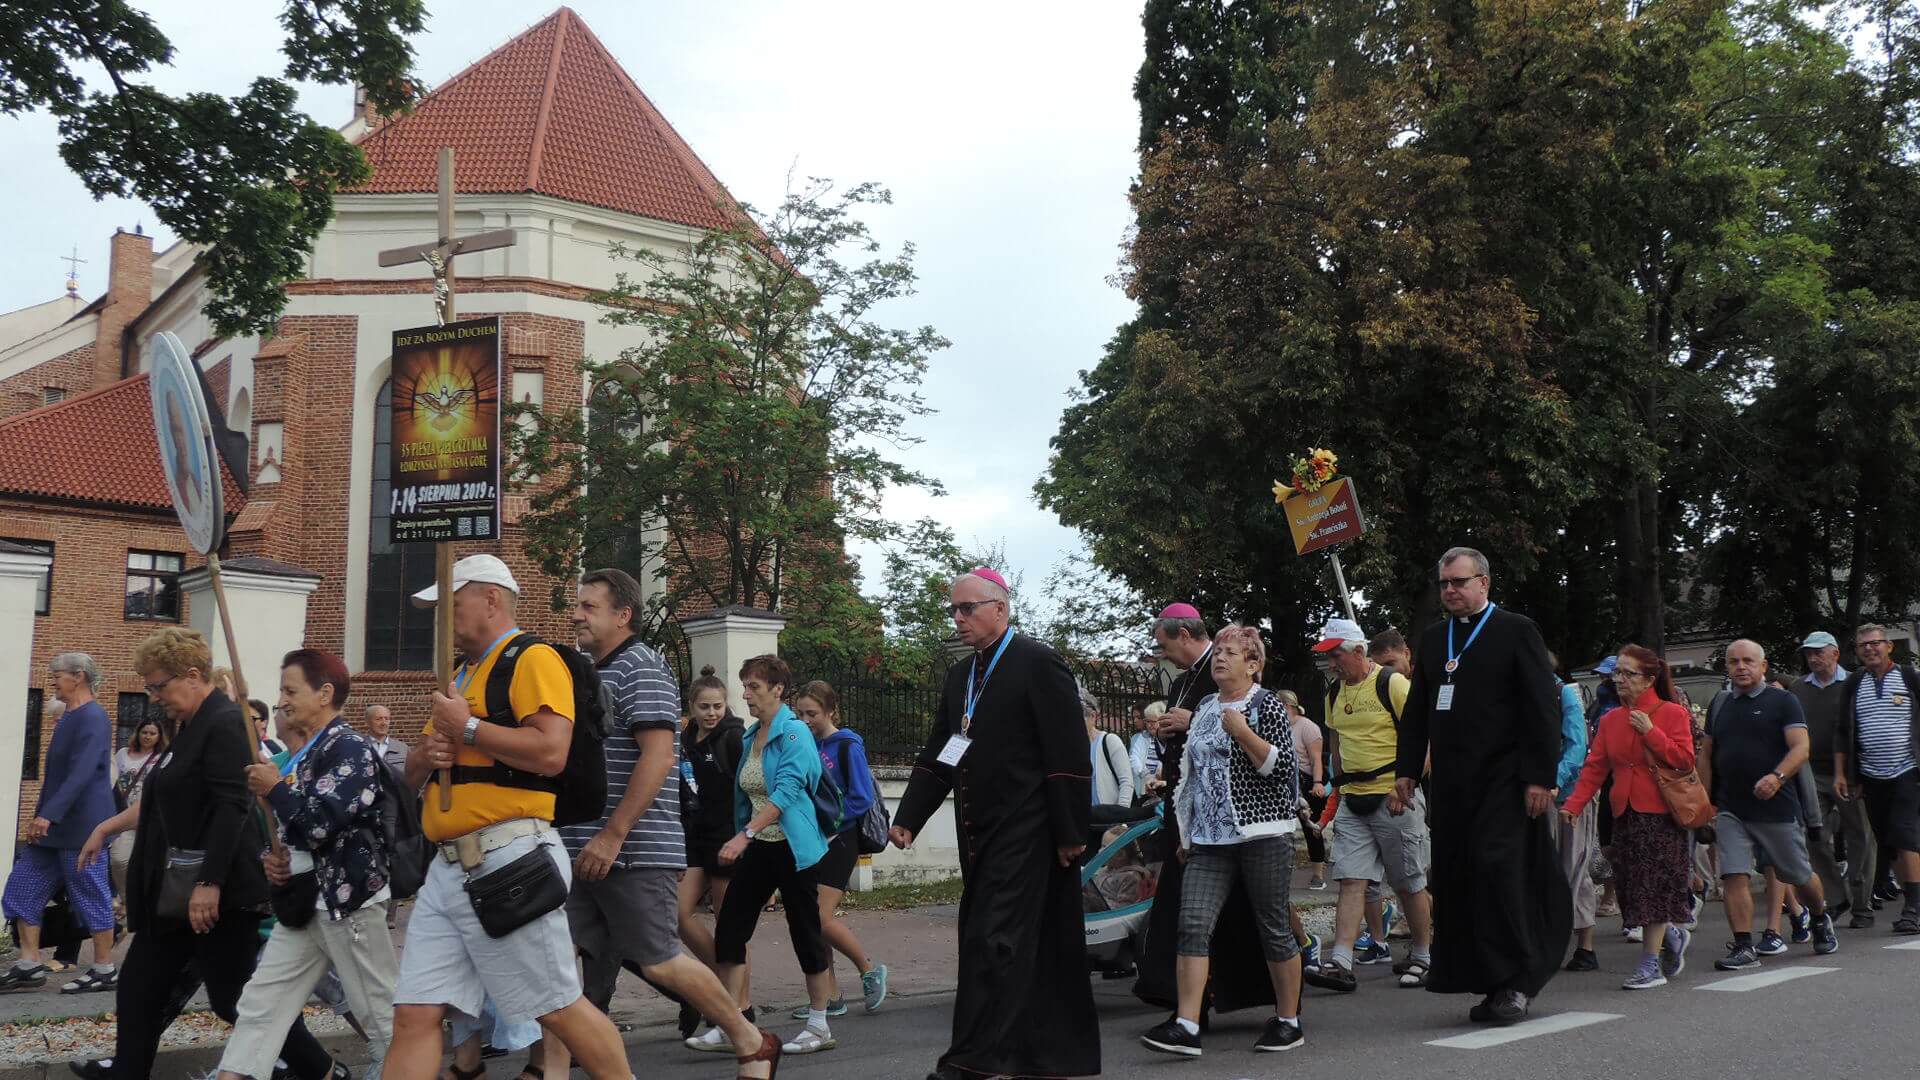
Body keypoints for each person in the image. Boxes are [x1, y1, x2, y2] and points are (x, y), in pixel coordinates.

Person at [385, 554, 636, 1080]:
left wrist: (468, 728)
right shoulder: (459, 675)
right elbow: (412, 774)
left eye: (451, 604)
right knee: (415, 1013)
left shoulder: (532, 659)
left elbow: (551, 752)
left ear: (491, 599)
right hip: (447, 868)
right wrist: (426, 754)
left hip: (508, 858)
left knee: (558, 1008)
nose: (443, 619)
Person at [74, 628, 336, 1080]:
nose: (155, 697)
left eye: (159, 685)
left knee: (234, 998)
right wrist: (106, 827)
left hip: (218, 893)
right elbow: (166, 796)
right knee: (139, 986)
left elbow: (232, 806)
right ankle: (126, 1072)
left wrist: (209, 883)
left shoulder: (224, 722)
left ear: (192, 676)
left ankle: (323, 1071)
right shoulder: (191, 726)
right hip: (175, 893)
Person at [546, 569, 773, 1080]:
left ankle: (750, 1040)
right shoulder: (588, 671)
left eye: (588, 606)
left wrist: (613, 835)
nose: (576, 615)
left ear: (622, 615)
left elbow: (658, 757)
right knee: (557, 969)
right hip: (577, 845)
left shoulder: (642, 667)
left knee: (659, 959)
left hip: (631, 848)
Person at [890, 568, 1099, 1080]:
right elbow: (943, 749)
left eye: (968, 608)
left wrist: (1071, 831)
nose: (958, 618)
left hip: (1030, 826)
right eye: (953, 610)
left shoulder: (1037, 661)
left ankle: (974, 1059)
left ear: (1000, 609)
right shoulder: (962, 675)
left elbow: (1067, 752)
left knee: (993, 938)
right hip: (980, 831)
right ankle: (1040, 1055)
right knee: (1012, 941)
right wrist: (909, 816)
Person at [1394, 547, 1571, 1024]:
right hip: (1453, 785)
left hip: (1505, 781)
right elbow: (1418, 709)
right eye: (1444, 583)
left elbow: (1541, 708)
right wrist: (1406, 769)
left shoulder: (1517, 630)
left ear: (1484, 583)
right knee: (1462, 879)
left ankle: (1519, 979)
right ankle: (1490, 980)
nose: (1450, 590)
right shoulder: (1435, 639)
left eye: (1459, 581)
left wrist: (1541, 776)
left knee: (1501, 875)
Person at [212, 648, 399, 1080]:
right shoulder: (304, 755)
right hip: (301, 906)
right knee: (261, 1003)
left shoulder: (350, 748)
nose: (281, 701)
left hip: (347, 902)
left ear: (324, 694)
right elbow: (294, 833)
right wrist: (273, 858)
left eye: (290, 691)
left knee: (380, 1014)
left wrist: (275, 787)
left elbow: (319, 823)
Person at [1139, 624, 1306, 1057]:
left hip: (1261, 834)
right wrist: (1186, 830)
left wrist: (1243, 732)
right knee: (1192, 923)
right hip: (1210, 840)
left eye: (1231, 653)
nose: (1220, 658)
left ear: (1253, 665)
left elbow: (1283, 770)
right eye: (1218, 652)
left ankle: (1288, 1020)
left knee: (1272, 927)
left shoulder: (1266, 704)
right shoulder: (1206, 706)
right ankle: (1187, 1025)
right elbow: (1191, 776)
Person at [696, 653, 835, 1058]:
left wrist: (744, 835)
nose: (746, 694)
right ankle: (734, 1023)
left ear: (777, 689)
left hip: (794, 848)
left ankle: (819, 1024)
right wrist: (748, 834)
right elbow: (746, 793)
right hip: (761, 845)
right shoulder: (751, 735)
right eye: (745, 686)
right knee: (730, 930)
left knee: (805, 932)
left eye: (753, 686)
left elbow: (787, 792)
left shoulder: (795, 733)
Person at [1302, 618, 1434, 993]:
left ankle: (1423, 955)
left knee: (1408, 882)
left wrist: (1405, 784)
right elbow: (1336, 743)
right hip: (1354, 800)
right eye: (1328, 657)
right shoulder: (1334, 693)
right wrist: (1339, 788)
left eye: (1336, 656)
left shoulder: (1392, 683)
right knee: (1350, 879)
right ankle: (1341, 962)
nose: (1332, 664)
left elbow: (1424, 738)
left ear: (1359, 651)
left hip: (1396, 799)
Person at [1560, 645, 1698, 988]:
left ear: (1649, 679)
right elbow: (1595, 767)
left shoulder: (1672, 713)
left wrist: (1650, 731)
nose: (1619, 679)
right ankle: (1672, 935)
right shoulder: (1610, 720)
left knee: (1653, 887)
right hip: (1623, 812)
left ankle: (1650, 965)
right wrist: (1574, 805)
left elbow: (1684, 760)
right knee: (1631, 889)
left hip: (1662, 814)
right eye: (1617, 673)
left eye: (1627, 673)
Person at [1700, 640, 1838, 968]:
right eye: (1734, 661)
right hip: (1731, 807)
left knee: (1799, 874)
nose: (1741, 667)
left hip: (1776, 807)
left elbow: (1801, 748)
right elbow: (1705, 754)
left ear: (1763, 666)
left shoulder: (1783, 701)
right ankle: (1743, 946)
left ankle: (1820, 917)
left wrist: (1777, 778)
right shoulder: (1720, 704)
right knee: (1733, 875)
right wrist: (1705, 803)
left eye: (1748, 661)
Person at [0, 653, 118, 993]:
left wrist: (48, 814)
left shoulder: (93, 716)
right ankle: (29, 964)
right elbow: (56, 777)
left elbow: (81, 773)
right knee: (22, 887)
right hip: (51, 830)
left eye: (57, 675)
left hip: (82, 828)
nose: (52, 680)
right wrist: (43, 816)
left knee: (90, 893)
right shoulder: (68, 715)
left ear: (78, 677)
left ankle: (104, 968)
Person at [791, 680, 888, 1016]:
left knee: (819, 917)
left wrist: (831, 825)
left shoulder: (848, 746)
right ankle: (830, 996)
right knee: (812, 919)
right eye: (800, 713)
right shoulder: (805, 744)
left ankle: (868, 970)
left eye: (812, 713)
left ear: (831, 711)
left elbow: (861, 797)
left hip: (841, 839)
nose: (805, 720)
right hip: (811, 840)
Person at [1834, 624, 1920, 935]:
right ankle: (1913, 901)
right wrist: (1842, 774)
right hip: (1870, 775)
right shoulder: (1854, 683)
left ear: (1889, 646)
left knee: (1905, 835)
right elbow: (1842, 730)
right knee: (1888, 843)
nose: (1870, 649)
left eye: (1876, 643)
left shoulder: (1909, 677)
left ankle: (1914, 908)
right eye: (1863, 646)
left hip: (1907, 771)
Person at [676, 667, 749, 1032]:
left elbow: (751, 788)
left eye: (718, 706)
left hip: (727, 839)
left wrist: (746, 837)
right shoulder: (685, 739)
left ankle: (741, 1007)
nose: (712, 713)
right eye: (704, 706)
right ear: (691, 706)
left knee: (728, 926)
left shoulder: (733, 737)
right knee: (676, 913)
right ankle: (721, 979)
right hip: (694, 838)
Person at [1790, 630, 1872, 928]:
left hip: (1850, 772)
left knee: (1860, 836)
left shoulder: (1854, 682)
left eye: (1818, 652)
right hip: (1811, 771)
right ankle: (1836, 897)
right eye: (1809, 653)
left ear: (1835, 653)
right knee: (1813, 835)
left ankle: (1862, 905)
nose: (1813, 658)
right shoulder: (1799, 687)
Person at [1548, 656, 1598, 971]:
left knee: (1574, 867)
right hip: (1540, 796)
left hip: (1569, 796)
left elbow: (1578, 745)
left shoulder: (1564, 693)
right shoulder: (1520, 694)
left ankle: (1585, 947)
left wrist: (1555, 779)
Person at [109, 717, 167, 901]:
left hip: (149, 816)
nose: (148, 736)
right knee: (119, 859)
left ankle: (141, 899)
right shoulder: (123, 754)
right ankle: (126, 897)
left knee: (146, 861)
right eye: (144, 732)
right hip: (123, 814)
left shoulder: (164, 758)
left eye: (152, 733)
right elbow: (113, 780)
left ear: (159, 736)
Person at [1289, 692, 1328, 890]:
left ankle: (1318, 875)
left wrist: (1317, 782)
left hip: (1306, 781)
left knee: (1311, 827)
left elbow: (1316, 758)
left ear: (1288, 706)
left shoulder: (1308, 727)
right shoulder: (1276, 725)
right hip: (1285, 782)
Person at [1084, 689, 1134, 809]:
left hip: (1109, 815)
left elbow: (1126, 782)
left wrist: (1121, 814)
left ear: (1093, 716)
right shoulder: (1074, 746)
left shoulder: (1110, 741)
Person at [364, 705, 409, 779]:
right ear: (367, 722)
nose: (383, 723)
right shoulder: (360, 746)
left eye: (386, 719)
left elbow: (411, 776)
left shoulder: (403, 749)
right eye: (378, 719)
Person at [1129, 704, 1163, 798]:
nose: (1149, 725)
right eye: (1147, 721)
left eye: (1153, 721)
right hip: (1143, 788)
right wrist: (1146, 775)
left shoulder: (1168, 739)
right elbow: (1133, 758)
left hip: (1161, 789)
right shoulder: (1139, 738)